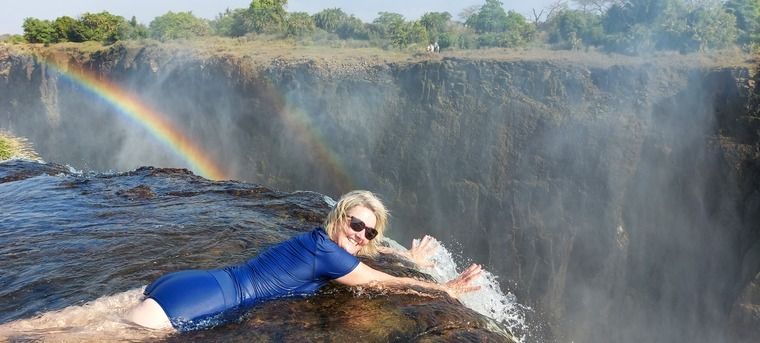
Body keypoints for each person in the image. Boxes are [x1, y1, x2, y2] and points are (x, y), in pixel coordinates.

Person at [126, 190, 482, 331]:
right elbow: (384, 280)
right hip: (197, 303)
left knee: (71, 324)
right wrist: (444, 289)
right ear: (339, 217)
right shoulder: (330, 257)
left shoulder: (318, 242)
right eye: (356, 224)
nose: (361, 235)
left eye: (369, 232)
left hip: (187, 283)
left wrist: (404, 255)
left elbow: (369, 255)